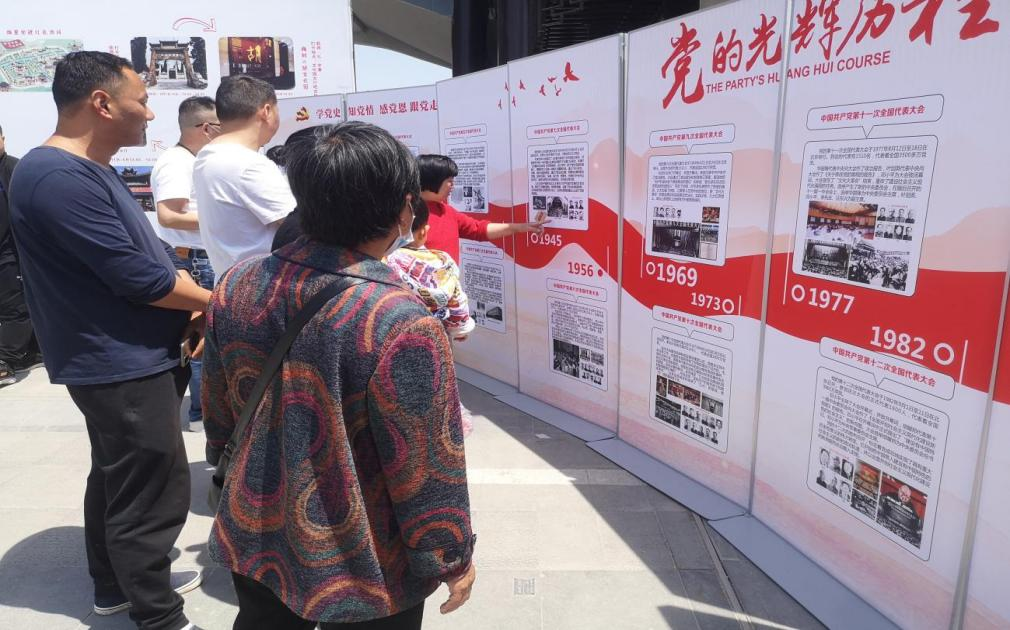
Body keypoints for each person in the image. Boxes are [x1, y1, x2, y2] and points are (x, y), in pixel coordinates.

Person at [202, 122, 476, 630]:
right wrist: (449, 556)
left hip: (256, 522)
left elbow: (219, 414)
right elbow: (425, 463)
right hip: (363, 556)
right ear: (404, 209)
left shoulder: (237, 283)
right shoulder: (399, 319)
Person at [8, 51, 212, 630]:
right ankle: (158, 613)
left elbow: (146, 258)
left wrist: (189, 300)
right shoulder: (56, 176)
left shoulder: (86, 169)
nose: (149, 113)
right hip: (117, 362)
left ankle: (117, 588)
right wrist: (214, 301)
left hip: (131, 354)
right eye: (141, 100)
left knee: (120, 476)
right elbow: (139, 278)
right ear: (102, 103)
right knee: (152, 487)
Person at [151, 96, 220, 430]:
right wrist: (222, 218)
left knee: (207, 337)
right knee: (202, 339)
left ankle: (204, 413)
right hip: (194, 261)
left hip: (199, 259)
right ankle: (202, 415)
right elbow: (168, 215)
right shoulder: (177, 163)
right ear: (206, 128)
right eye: (221, 126)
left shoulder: (192, 159)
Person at [193, 75, 294, 275]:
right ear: (266, 111)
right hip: (265, 284)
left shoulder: (206, 156)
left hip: (231, 281)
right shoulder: (248, 164)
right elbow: (296, 225)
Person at [416, 154, 547, 264]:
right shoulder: (409, 215)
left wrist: (521, 227)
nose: (453, 185)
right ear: (433, 180)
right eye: (449, 180)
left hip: (449, 286)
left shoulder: (447, 211)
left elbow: (478, 229)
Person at [386, 198, 476, 342]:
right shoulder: (442, 263)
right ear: (423, 232)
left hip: (397, 335)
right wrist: (460, 329)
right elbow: (458, 301)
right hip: (434, 337)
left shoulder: (386, 260)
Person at [0, 123, 42, 385]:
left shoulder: (15, 169)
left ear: (3, 139)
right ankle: (32, 351)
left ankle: (5, 361)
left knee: (15, 308)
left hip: (11, 254)